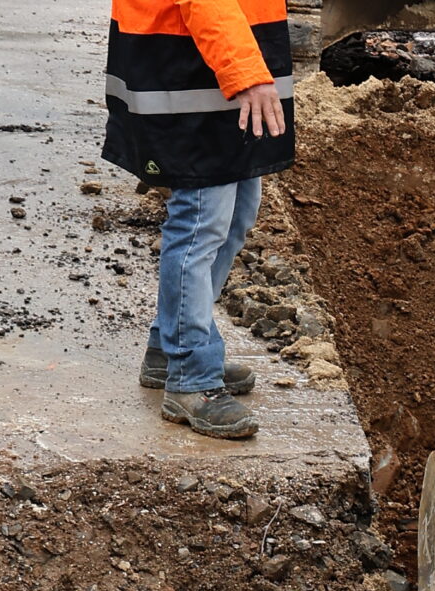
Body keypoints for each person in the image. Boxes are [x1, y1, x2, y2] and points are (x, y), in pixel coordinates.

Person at [103, 0, 296, 439]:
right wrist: (246, 73)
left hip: (218, 67)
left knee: (234, 218)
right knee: (199, 227)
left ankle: (167, 350)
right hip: (194, 69)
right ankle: (191, 374)